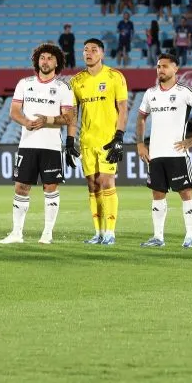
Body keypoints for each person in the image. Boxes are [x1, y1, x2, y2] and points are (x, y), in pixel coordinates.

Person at [0, 43, 75, 245]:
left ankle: (47, 233)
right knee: (21, 187)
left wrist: (47, 121)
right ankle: (16, 233)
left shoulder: (64, 88)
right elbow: (14, 111)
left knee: (50, 188)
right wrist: (26, 122)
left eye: (50, 58)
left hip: (51, 146)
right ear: (37, 61)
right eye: (42, 58)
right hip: (27, 144)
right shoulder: (24, 83)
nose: (45, 61)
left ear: (57, 63)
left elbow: (69, 117)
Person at [137, 53, 192, 249]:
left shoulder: (186, 92)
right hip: (155, 154)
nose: (160, 70)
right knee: (157, 194)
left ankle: (189, 236)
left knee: (186, 193)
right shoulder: (150, 93)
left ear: (175, 68)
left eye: (165, 66)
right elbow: (141, 117)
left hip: (177, 153)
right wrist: (140, 144)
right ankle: (158, 237)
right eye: (158, 66)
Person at [70, 38, 129, 245]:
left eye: (94, 50)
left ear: (102, 54)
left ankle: (110, 232)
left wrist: (119, 136)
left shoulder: (114, 76)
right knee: (92, 185)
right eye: (85, 50)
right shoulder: (76, 81)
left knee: (106, 181)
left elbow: (123, 108)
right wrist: (70, 140)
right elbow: (73, 113)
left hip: (107, 139)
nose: (89, 53)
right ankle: (99, 232)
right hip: (87, 140)